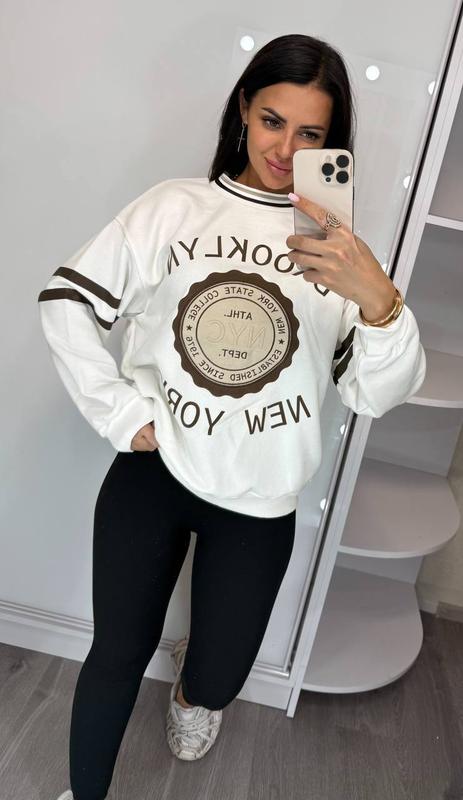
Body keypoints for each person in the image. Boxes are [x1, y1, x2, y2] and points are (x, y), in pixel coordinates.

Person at [38, 32, 426, 800]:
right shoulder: (174, 207)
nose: (285, 148)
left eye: (310, 134)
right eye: (273, 121)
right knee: (116, 651)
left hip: (260, 493)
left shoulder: (340, 254)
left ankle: (194, 692)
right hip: (154, 470)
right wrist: (119, 412)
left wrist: (379, 301)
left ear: (331, 144)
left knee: (221, 675)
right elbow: (66, 301)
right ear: (244, 109)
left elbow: (374, 394)